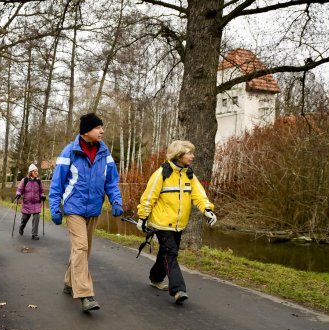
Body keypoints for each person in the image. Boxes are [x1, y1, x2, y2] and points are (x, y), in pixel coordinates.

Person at [49, 113, 123, 312]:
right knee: (80, 246)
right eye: (98, 127)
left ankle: (68, 281)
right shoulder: (69, 152)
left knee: (84, 250)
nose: (102, 131)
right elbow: (57, 184)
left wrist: (116, 200)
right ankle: (84, 294)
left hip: (94, 208)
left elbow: (111, 181)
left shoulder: (105, 153)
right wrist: (54, 207)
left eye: (102, 127)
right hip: (73, 207)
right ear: (86, 131)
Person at [136, 140, 217, 304]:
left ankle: (155, 278)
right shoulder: (162, 174)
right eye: (189, 153)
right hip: (162, 223)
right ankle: (178, 289)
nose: (193, 156)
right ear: (179, 155)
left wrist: (207, 210)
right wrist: (142, 218)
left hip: (179, 224)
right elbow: (148, 197)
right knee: (170, 252)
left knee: (166, 253)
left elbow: (199, 195)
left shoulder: (189, 175)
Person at [14, 163, 45, 240]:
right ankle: (21, 227)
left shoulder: (38, 181)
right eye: (35, 171)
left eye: (37, 171)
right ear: (30, 172)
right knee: (24, 219)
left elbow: (41, 191)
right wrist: (18, 194)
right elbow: (19, 190)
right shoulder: (25, 180)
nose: (36, 173)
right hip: (27, 204)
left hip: (36, 203)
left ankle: (34, 234)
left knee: (36, 218)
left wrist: (42, 196)